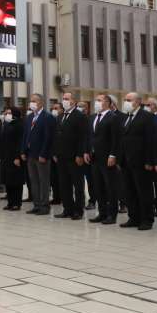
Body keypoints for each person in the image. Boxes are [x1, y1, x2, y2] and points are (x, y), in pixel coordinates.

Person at [117, 93, 157, 230]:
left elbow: (150, 141)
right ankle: (134, 217)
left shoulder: (146, 117)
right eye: (125, 100)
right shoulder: (125, 117)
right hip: (126, 161)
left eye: (128, 100)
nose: (126, 102)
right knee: (129, 191)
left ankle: (147, 219)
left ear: (137, 102)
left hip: (141, 161)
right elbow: (122, 139)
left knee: (144, 192)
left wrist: (149, 161)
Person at [87, 94, 122, 225]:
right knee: (98, 186)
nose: (96, 103)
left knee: (110, 187)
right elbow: (90, 136)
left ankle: (112, 215)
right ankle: (102, 213)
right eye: (96, 100)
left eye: (99, 100)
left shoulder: (113, 118)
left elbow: (116, 139)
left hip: (107, 157)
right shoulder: (92, 117)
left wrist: (113, 155)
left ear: (107, 103)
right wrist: (87, 151)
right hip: (94, 157)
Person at [54, 92, 89, 220]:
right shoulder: (60, 116)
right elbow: (56, 136)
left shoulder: (80, 116)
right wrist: (55, 153)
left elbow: (83, 137)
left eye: (67, 99)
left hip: (74, 156)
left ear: (73, 101)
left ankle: (78, 210)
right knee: (64, 184)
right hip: (61, 156)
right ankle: (67, 209)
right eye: (63, 99)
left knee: (78, 185)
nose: (64, 101)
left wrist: (80, 154)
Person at [23, 93, 55, 216]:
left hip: (41, 155)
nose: (32, 103)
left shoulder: (47, 117)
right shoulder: (30, 117)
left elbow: (48, 138)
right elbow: (25, 135)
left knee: (44, 181)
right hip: (30, 154)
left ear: (41, 102)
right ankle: (36, 205)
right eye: (31, 101)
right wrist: (23, 151)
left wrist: (44, 153)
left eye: (34, 101)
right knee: (33, 181)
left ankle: (44, 206)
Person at [0, 106, 25, 210]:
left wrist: (17, 157)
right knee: (8, 181)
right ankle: (10, 202)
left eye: (9, 113)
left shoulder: (19, 124)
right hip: (6, 156)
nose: (7, 115)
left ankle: (16, 203)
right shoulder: (7, 124)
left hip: (15, 157)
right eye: (6, 113)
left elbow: (19, 142)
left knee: (16, 181)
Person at [49, 102, 64, 205]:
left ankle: (64, 197)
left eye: (56, 108)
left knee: (62, 178)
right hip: (52, 154)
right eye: (53, 108)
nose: (54, 110)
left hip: (61, 154)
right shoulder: (52, 120)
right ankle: (56, 197)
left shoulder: (63, 120)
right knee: (53, 178)